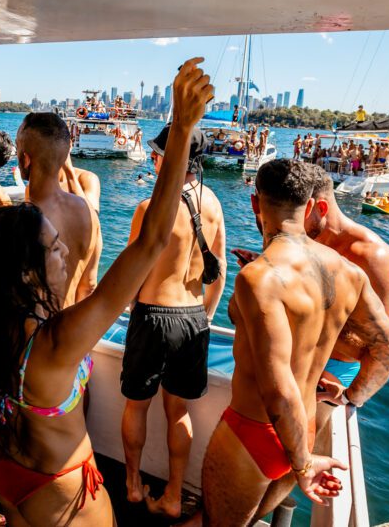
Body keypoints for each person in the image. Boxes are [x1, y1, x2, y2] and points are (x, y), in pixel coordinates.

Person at [0, 57, 214, 527]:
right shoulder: (55, 343)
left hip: (5, 477)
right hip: (61, 489)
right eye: (54, 251)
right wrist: (180, 129)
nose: (62, 255)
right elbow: (152, 240)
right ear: (28, 273)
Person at [198, 159, 389, 526]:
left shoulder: (259, 277)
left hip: (254, 429)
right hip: (305, 424)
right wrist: (349, 397)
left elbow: (278, 391)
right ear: (310, 208)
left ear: (255, 204)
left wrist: (304, 466)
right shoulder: (350, 272)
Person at [254, 163, 389, 517]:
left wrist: (350, 398)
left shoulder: (372, 256)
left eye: (298, 215)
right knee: (256, 435)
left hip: (334, 371)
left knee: (296, 451)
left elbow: (382, 344)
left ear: (318, 209)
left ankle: (236, 519)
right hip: (295, 356)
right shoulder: (301, 239)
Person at [121, 123, 226, 519]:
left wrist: (133, 310)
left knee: (136, 406)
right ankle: (173, 494)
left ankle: (132, 486)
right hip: (194, 319)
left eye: (157, 154)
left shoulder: (151, 208)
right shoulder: (213, 204)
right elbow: (221, 269)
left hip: (153, 315)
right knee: (177, 411)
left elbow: (133, 270)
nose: (153, 159)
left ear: (169, 158)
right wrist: (206, 317)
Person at [16, 113, 101, 306]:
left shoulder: (22, 220)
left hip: (33, 331)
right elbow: (89, 285)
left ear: (26, 159)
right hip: (69, 327)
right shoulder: (88, 214)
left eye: (17, 148)